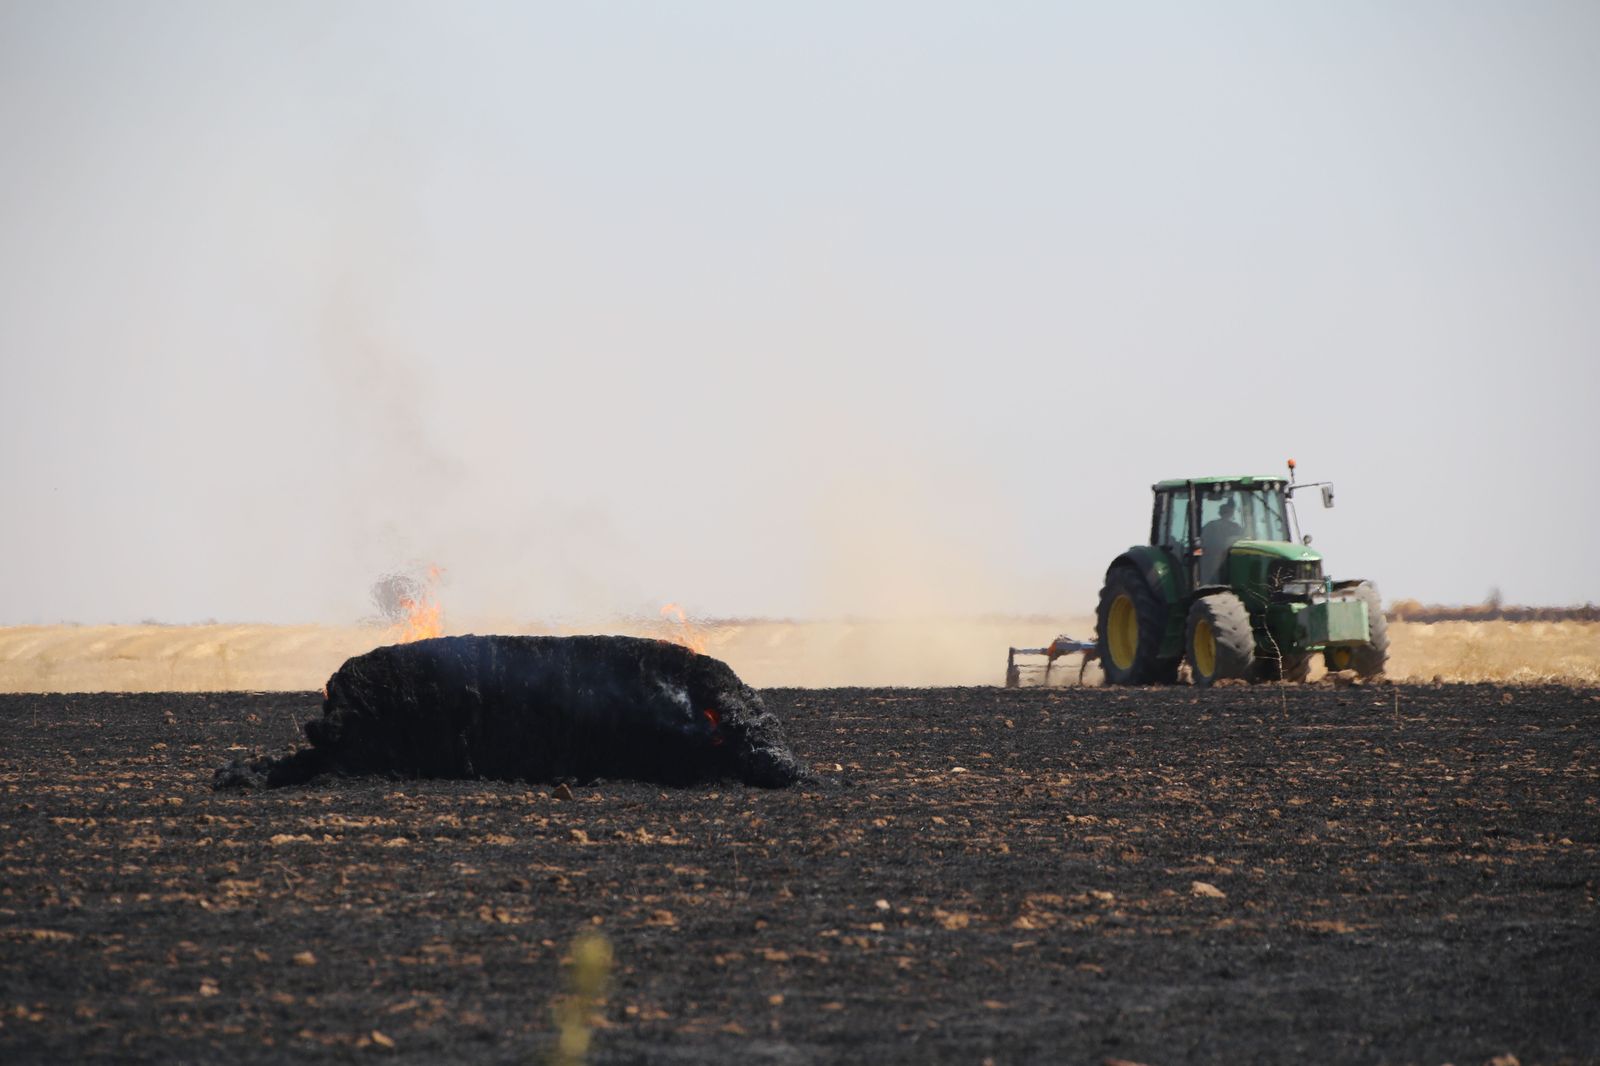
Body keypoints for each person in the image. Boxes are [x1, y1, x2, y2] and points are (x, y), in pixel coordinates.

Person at [1199, 500, 1245, 584]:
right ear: (1231, 513)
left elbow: (1202, 544)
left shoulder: (1210, 526)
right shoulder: (1236, 528)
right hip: (1222, 561)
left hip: (1217, 561)